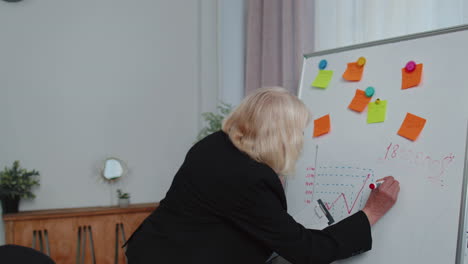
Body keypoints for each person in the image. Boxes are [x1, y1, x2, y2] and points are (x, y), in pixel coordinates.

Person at [125, 87, 400, 264]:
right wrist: (371, 213)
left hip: (152, 248)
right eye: (298, 133)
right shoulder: (249, 179)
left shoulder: (215, 143)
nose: (301, 141)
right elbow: (308, 251)